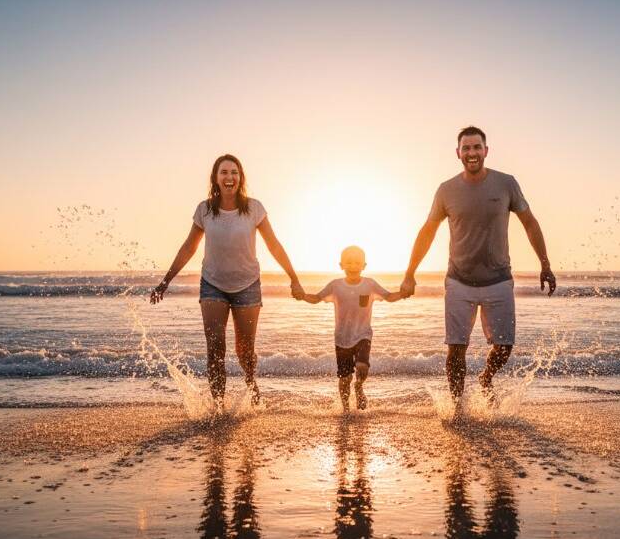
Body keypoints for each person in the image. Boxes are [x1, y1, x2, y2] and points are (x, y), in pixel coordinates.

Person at [399, 126, 556, 410]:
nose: (472, 153)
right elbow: (427, 232)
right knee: (456, 349)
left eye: (477, 147)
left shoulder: (506, 183)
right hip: (459, 280)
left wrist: (544, 264)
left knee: (505, 348)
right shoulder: (446, 190)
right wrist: (410, 273)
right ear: (458, 153)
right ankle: (458, 407)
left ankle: (485, 378)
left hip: (499, 279)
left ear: (486, 151)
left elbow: (529, 222)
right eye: (466, 148)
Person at [151, 154, 304, 408]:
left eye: (234, 172)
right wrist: (165, 281)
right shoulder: (205, 209)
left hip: (248, 286)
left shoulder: (254, 208)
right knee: (215, 348)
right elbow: (189, 247)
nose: (229, 177)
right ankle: (219, 407)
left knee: (244, 351)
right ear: (216, 178)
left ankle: (250, 382)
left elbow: (274, 245)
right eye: (224, 172)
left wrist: (294, 278)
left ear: (240, 177)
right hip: (212, 285)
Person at [299, 246, 402, 412]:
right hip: (342, 338)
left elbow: (389, 296)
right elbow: (317, 298)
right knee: (344, 378)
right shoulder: (335, 285)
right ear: (341, 265)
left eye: (357, 262)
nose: (353, 266)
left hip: (363, 335)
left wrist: (403, 293)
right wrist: (303, 296)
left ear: (364, 265)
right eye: (349, 262)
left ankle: (359, 386)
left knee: (362, 367)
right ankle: (346, 409)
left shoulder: (370, 284)